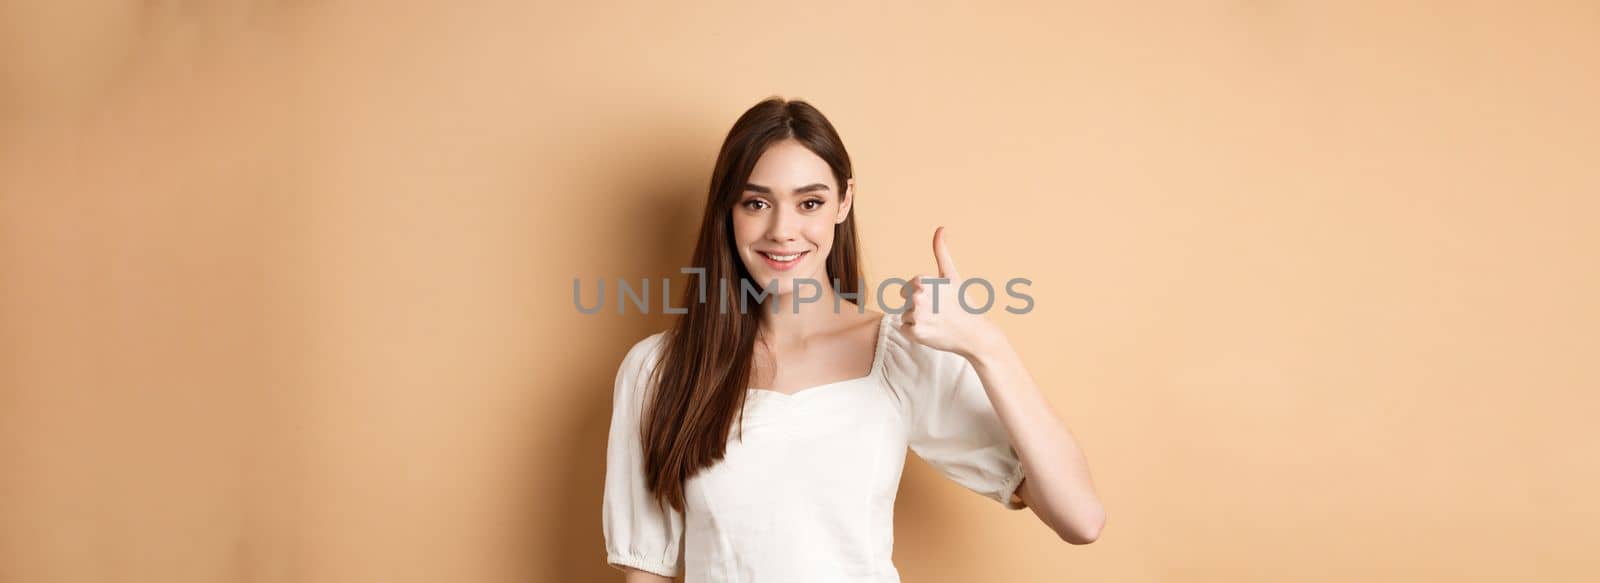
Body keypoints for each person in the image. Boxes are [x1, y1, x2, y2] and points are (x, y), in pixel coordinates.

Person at [602, 97, 1104, 582]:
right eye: (757, 202)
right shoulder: (660, 370)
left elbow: (1080, 519)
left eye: (810, 202)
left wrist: (986, 346)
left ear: (844, 202)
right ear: (728, 211)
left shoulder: (901, 354)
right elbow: (647, 569)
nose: (783, 229)